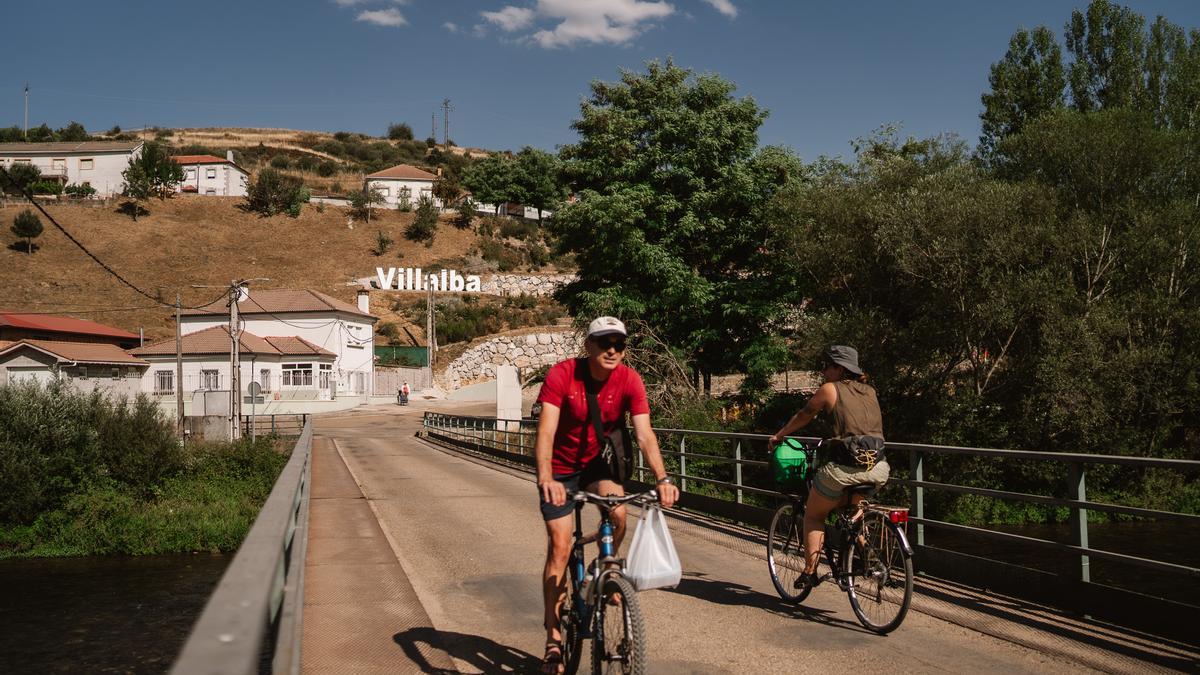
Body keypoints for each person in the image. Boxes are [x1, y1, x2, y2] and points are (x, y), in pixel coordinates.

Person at [534, 316, 679, 674]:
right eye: (605, 343)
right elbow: (547, 430)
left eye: (619, 344)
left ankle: (605, 571)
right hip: (561, 469)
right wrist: (546, 478)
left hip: (598, 466)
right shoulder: (562, 375)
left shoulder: (629, 379)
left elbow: (644, 435)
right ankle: (554, 641)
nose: (613, 350)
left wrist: (662, 478)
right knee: (561, 545)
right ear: (589, 346)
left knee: (618, 513)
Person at [767, 345, 887, 590]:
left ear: (839, 368)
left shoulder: (830, 389)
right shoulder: (870, 391)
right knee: (852, 511)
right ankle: (869, 556)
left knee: (814, 514)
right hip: (878, 467)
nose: (823, 371)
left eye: (826, 366)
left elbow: (805, 415)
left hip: (845, 468)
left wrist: (780, 435)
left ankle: (810, 572)